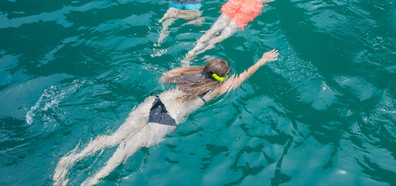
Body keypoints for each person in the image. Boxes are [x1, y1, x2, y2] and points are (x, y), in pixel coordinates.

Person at [53, 49, 279, 186]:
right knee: (122, 154)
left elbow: (164, 78)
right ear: (221, 77)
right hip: (167, 119)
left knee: (112, 139)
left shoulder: (190, 73)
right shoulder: (217, 89)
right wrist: (261, 60)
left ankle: (71, 159)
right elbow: (243, 77)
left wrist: (189, 65)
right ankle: (90, 182)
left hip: (154, 102)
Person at [184, 0, 330, 62]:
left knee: (213, 29)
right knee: (222, 36)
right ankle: (200, 52)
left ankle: (192, 50)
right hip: (251, 6)